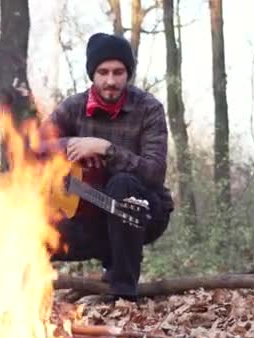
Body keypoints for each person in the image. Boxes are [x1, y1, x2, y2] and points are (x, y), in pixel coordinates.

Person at [41, 32, 174, 301]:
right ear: (93, 74)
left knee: (122, 183)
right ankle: (21, 298)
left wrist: (106, 149)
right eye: (103, 72)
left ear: (128, 73)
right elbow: (35, 147)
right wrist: (73, 143)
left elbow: (155, 173)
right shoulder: (73, 107)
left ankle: (123, 294)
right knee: (31, 229)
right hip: (88, 214)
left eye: (118, 72)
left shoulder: (149, 108)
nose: (110, 81)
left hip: (143, 212)